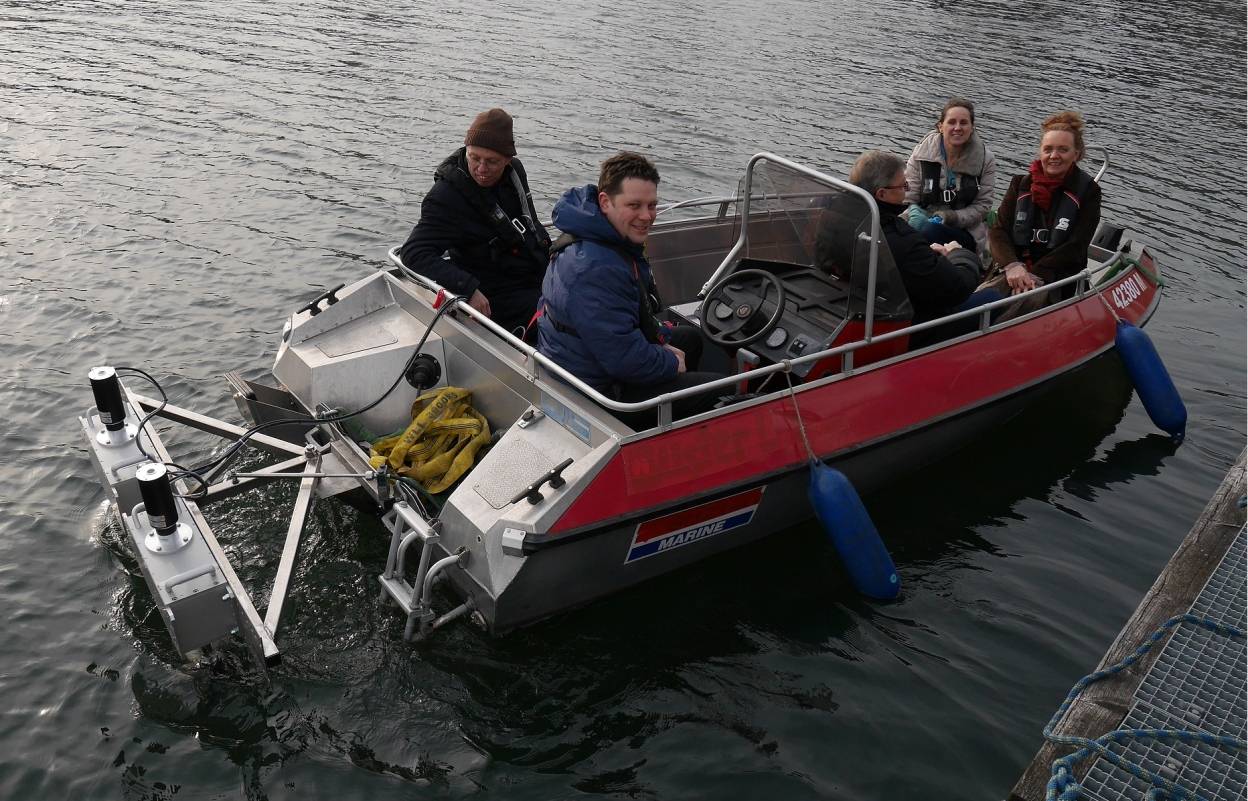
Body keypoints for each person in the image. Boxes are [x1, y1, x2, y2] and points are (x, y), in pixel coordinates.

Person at [537, 152, 725, 423]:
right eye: (634, 205)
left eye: (652, 205)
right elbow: (623, 358)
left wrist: (661, 343)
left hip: (582, 356)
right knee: (721, 388)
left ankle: (677, 419)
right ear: (605, 202)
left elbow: (618, 327)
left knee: (690, 339)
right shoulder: (597, 267)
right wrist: (671, 362)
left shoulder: (597, 235)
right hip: (598, 390)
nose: (646, 216)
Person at [398, 108, 551, 335]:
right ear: (466, 150)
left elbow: (530, 224)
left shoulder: (515, 174)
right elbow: (413, 253)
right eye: (474, 158)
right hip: (493, 291)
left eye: (492, 162)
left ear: (508, 160)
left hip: (530, 272)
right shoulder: (445, 197)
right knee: (562, 318)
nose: (481, 169)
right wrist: (468, 287)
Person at [849, 150, 1002, 340]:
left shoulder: (834, 217)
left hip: (857, 302)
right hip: (899, 326)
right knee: (994, 299)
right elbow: (958, 290)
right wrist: (959, 255)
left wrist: (925, 257)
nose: (907, 191)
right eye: (903, 186)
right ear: (882, 193)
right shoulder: (901, 239)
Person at [986, 110, 1102, 301]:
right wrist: (1013, 265)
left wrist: (1035, 275)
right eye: (1048, 149)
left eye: (1063, 150)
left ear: (1076, 154)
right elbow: (998, 231)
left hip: (1056, 278)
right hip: (1012, 271)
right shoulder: (1020, 184)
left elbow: (1076, 245)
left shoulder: (1089, 192)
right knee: (983, 300)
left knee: (1018, 306)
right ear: (1040, 151)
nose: (1054, 156)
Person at [904, 98, 997, 256]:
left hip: (964, 231)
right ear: (941, 126)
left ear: (972, 127)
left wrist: (949, 217)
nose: (957, 128)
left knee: (929, 231)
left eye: (964, 123)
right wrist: (911, 210)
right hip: (922, 218)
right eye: (952, 122)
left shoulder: (985, 160)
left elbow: (982, 207)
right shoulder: (921, 153)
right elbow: (907, 195)